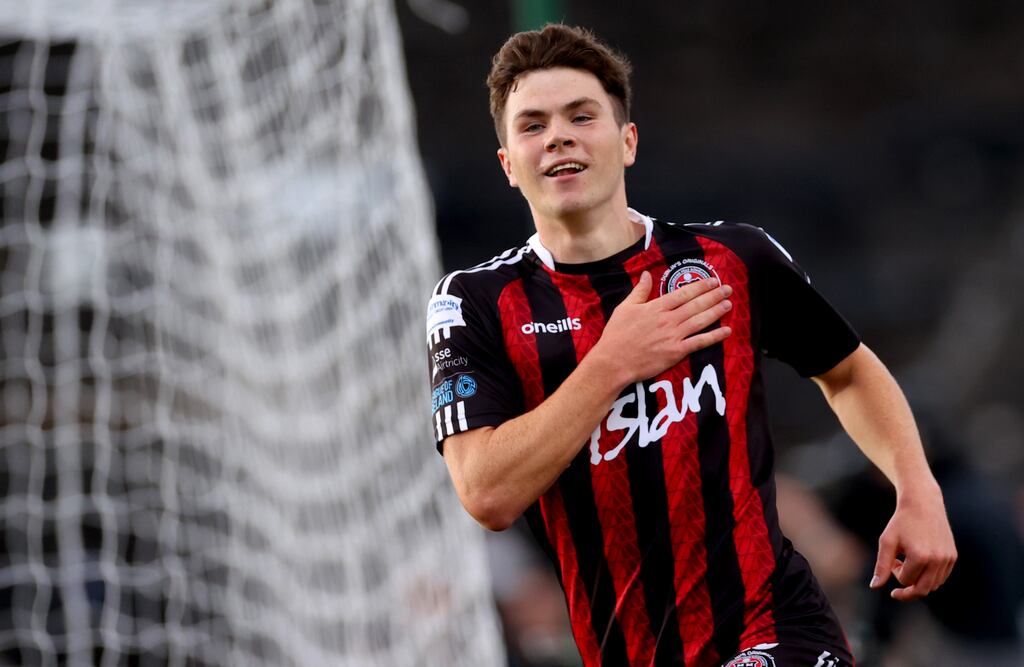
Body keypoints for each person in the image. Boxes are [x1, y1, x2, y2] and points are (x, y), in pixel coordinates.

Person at [425, 24, 956, 667]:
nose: (557, 134)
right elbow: (486, 493)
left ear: (628, 142)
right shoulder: (475, 302)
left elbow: (846, 372)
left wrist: (917, 489)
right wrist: (613, 364)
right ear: (509, 164)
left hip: (772, 625)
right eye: (532, 125)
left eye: (581, 115)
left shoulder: (731, 259)